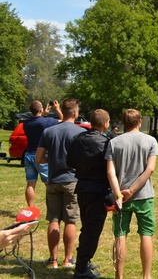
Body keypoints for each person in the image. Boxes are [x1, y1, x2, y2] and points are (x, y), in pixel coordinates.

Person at [105, 109, 158, 279]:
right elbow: (150, 168)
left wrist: (119, 194)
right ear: (139, 122)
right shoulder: (150, 140)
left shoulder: (114, 142)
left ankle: (119, 276)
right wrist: (133, 190)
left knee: (120, 235)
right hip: (144, 195)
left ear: (123, 122)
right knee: (146, 234)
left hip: (121, 198)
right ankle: (146, 275)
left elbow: (110, 172)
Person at [35, 98, 84, 269]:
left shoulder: (49, 131)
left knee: (53, 219)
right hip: (73, 181)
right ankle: (68, 259)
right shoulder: (80, 133)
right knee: (71, 221)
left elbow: (39, 158)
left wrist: (53, 158)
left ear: (62, 110)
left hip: (53, 180)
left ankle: (53, 260)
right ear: (76, 113)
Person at [66, 109, 112, 278]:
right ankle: (81, 268)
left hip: (82, 188)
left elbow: (69, 161)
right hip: (98, 190)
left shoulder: (77, 139)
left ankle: (84, 261)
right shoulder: (106, 142)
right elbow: (110, 167)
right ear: (105, 123)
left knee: (87, 227)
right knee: (92, 230)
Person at [22, 100, 62, 207]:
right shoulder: (47, 121)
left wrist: (44, 114)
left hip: (29, 154)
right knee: (49, 184)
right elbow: (63, 120)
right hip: (42, 155)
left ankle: (31, 208)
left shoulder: (26, 123)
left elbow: (38, 121)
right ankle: (54, 207)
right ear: (40, 109)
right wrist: (57, 108)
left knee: (30, 184)